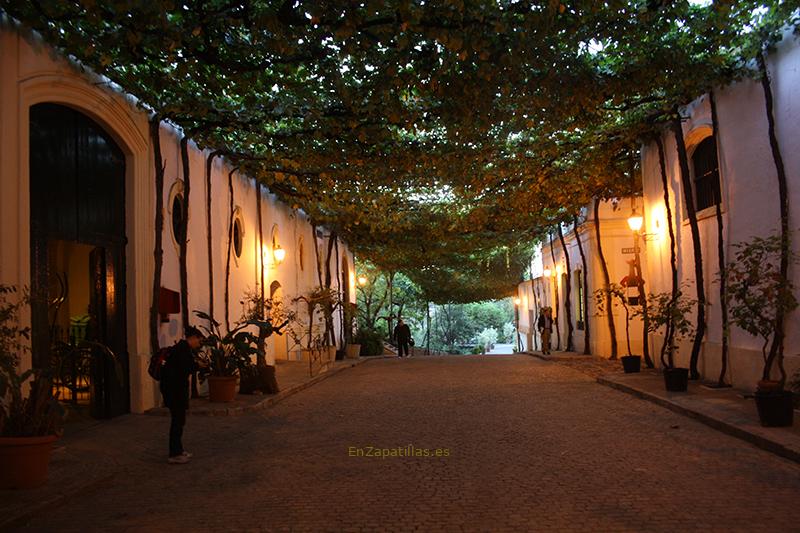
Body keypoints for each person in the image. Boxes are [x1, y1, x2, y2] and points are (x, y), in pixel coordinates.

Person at [161, 326, 205, 464]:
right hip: (175, 391)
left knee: (179, 421)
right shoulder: (182, 350)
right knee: (177, 421)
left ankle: (178, 450)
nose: (199, 344)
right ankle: (174, 454)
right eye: (199, 340)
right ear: (192, 338)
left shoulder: (182, 349)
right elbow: (187, 368)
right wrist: (199, 366)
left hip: (175, 390)